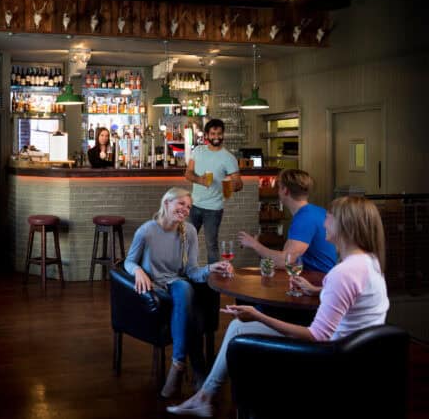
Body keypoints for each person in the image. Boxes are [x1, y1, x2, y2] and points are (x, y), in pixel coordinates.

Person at [167, 196, 389, 417]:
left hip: (329, 358)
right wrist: (317, 290)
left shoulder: (344, 272)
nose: (324, 223)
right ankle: (205, 397)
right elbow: (353, 297)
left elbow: (316, 336)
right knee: (236, 327)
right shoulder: (369, 262)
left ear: (345, 226)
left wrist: (257, 316)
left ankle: (211, 398)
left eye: (329, 218)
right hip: (357, 355)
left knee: (239, 330)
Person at [124, 187, 233, 398]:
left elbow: (191, 271)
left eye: (188, 206)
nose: (185, 209)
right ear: (167, 203)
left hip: (177, 284)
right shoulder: (146, 231)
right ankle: (199, 369)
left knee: (184, 287)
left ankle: (178, 365)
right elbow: (128, 261)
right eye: (181, 204)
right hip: (154, 288)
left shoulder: (189, 231)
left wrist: (212, 268)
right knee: (193, 308)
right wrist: (137, 270)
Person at [239, 169, 337, 280]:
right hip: (315, 278)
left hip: (317, 281)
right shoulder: (315, 211)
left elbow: (284, 261)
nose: (278, 191)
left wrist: (254, 245)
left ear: (285, 190)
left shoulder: (305, 219)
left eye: (279, 187)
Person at [185, 118, 242, 264]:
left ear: (223, 135)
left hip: (214, 209)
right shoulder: (198, 151)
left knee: (211, 246)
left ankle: (212, 280)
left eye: (219, 133)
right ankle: (187, 273)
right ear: (206, 135)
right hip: (194, 205)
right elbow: (188, 174)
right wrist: (201, 180)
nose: (216, 137)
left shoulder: (229, 158)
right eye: (213, 134)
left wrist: (232, 184)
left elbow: (239, 183)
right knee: (186, 242)